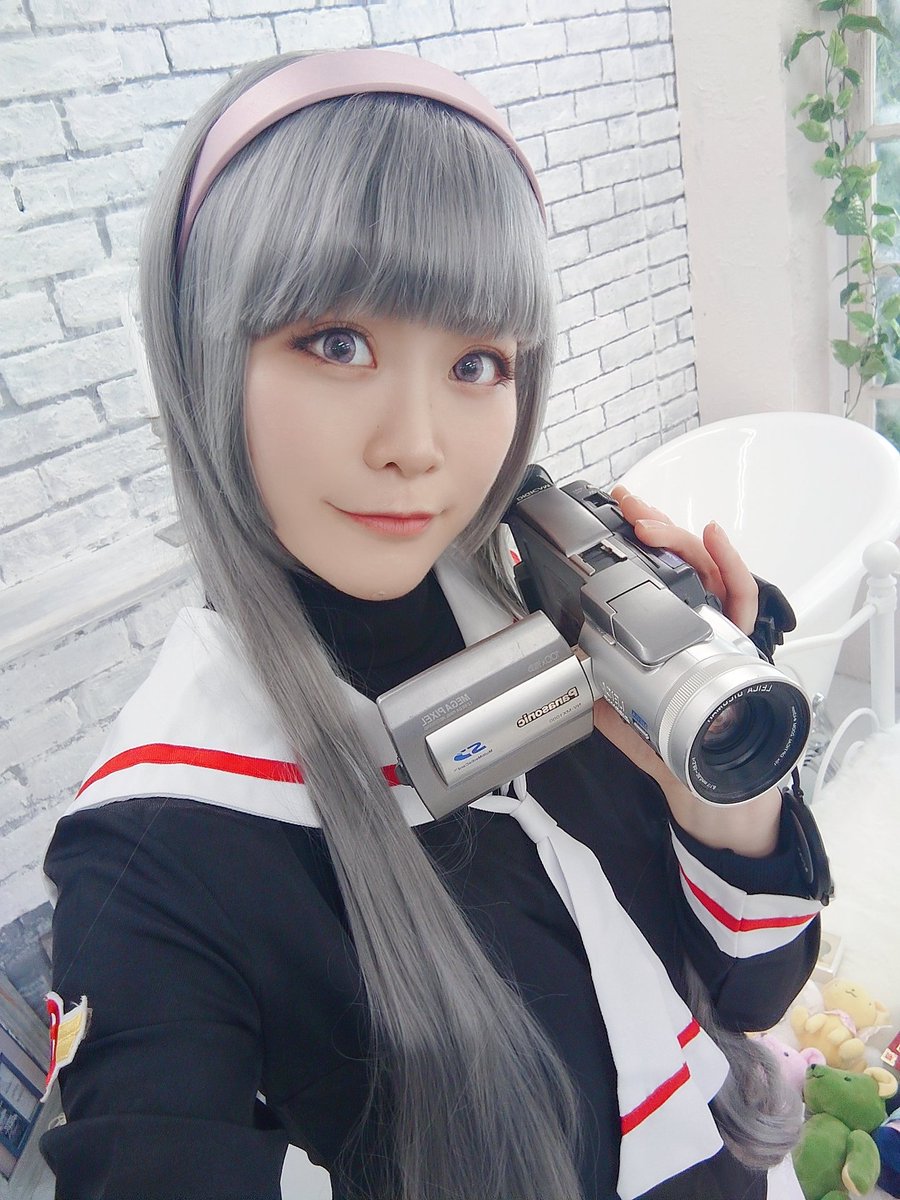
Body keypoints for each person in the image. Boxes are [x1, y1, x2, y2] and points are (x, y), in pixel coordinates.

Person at [39, 48, 827, 1200]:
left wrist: (718, 770)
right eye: (337, 343)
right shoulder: (163, 844)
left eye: (475, 359)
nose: (417, 444)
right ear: (201, 354)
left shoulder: (569, 611)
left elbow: (755, 992)